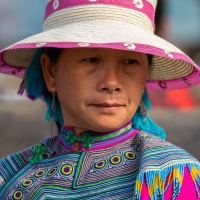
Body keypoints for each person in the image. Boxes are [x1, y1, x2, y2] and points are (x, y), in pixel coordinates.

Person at [0, 0, 199, 199]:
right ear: (50, 71)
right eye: (91, 60)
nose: (111, 83)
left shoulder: (174, 178)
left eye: (130, 61)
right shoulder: (9, 177)